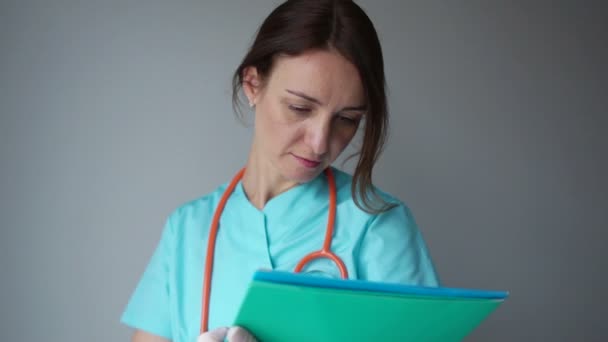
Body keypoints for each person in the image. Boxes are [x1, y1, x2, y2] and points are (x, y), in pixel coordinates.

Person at [121, 0, 440, 341]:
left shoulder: (377, 225)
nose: (320, 143)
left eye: (346, 120)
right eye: (300, 108)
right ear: (253, 84)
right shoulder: (187, 231)